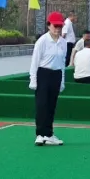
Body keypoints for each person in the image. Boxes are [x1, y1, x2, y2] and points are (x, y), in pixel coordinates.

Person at [29, 11, 67, 146]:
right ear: (49, 25)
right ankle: (40, 134)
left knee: (52, 105)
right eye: (55, 26)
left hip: (56, 75)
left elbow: (62, 63)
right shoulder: (42, 41)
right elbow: (35, 61)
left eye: (60, 26)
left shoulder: (63, 43)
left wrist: (62, 81)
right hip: (43, 74)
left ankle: (49, 134)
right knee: (42, 105)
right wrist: (33, 79)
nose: (57, 29)